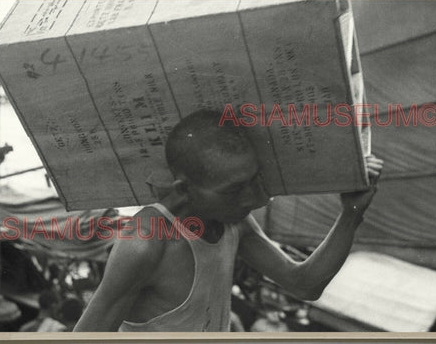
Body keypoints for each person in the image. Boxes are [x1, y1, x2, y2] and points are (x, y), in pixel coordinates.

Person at [73, 109, 384, 332]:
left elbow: (304, 284)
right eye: (235, 190)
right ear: (185, 190)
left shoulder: (232, 222)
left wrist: (351, 214)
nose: (254, 199)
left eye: (253, 181)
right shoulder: (144, 244)